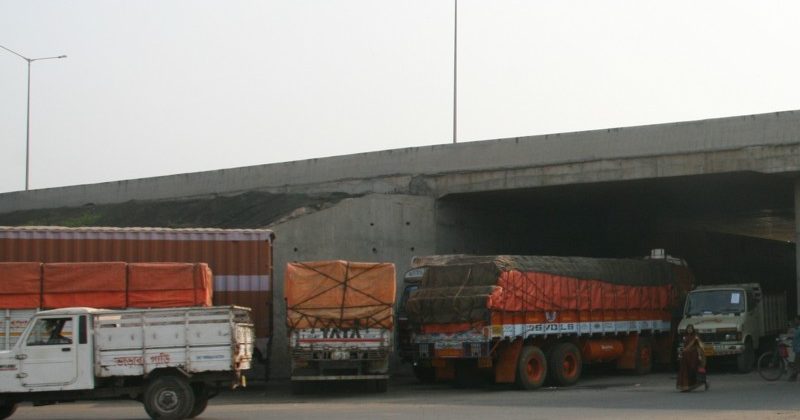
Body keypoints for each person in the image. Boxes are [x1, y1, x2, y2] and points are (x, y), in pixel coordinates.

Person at [677, 324, 707, 392]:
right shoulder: (685, 336)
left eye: (690, 328)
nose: (689, 330)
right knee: (685, 371)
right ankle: (685, 386)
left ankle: (703, 382)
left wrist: (699, 355)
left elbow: (699, 346)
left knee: (693, 370)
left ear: (693, 329)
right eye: (688, 328)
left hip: (693, 356)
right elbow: (684, 346)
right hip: (686, 356)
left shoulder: (695, 337)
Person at [789, 317, 800, 381]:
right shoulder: (797, 328)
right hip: (797, 348)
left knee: (796, 363)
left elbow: (795, 336)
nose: (795, 321)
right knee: (797, 363)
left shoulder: (799, 329)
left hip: (799, 349)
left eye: (796, 320)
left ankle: (793, 377)